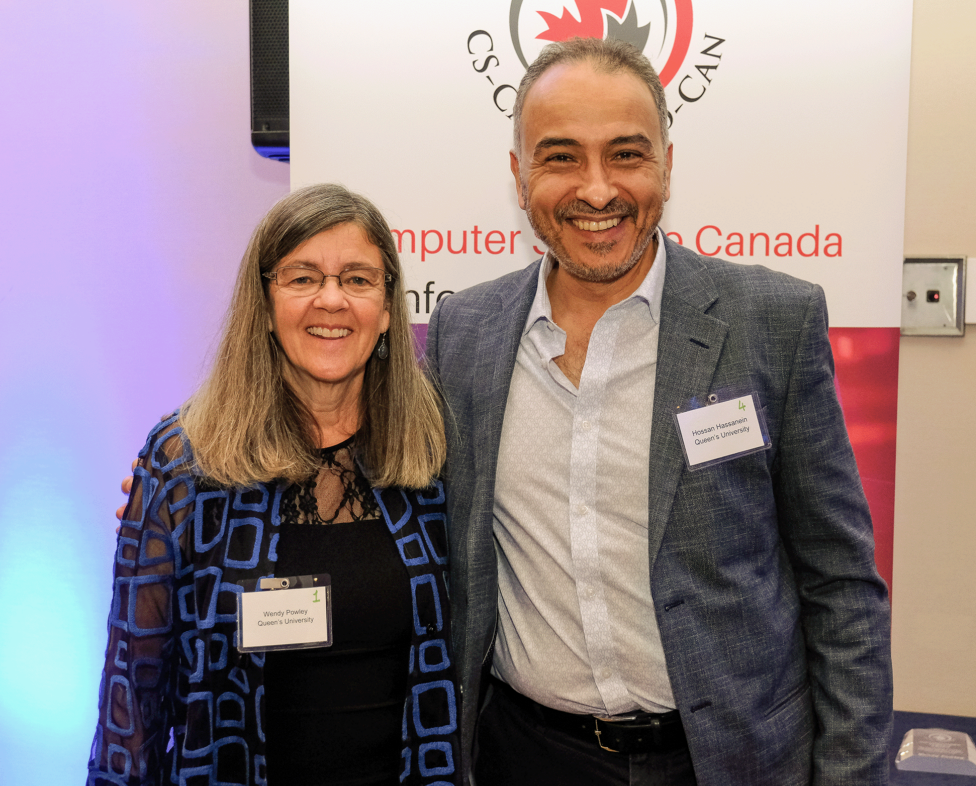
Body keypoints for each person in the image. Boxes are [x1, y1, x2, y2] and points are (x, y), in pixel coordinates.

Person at [426, 38, 893, 785]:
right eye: (561, 157)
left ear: (667, 166)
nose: (599, 189)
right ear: (519, 176)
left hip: (728, 761)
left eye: (627, 154)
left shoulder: (771, 320)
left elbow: (840, 585)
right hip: (527, 755)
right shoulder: (465, 335)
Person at [88, 184, 459, 786]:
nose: (332, 300)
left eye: (358, 279)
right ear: (263, 303)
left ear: (389, 307)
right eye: (303, 277)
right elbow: (134, 688)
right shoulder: (185, 465)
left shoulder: (432, 456)